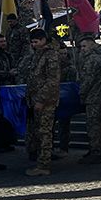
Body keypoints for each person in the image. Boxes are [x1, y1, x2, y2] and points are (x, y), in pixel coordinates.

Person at [25, 28, 62, 176]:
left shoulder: (50, 55)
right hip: (35, 101)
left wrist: (41, 99)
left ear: (43, 40)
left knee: (44, 132)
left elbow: (52, 80)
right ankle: (40, 159)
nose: (34, 44)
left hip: (46, 101)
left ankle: (44, 165)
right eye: (32, 42)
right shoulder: (36, 55)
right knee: (38, 132)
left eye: (36, 41)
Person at [77, 36, 101, 164]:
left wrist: (81, 93)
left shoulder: (91, 60)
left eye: (84, 46)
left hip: (93, 96)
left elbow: (88, 80)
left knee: (93, 125)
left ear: (92, 45)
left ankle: (96, 151)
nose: (82, 49)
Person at [0, 34, 17, 155]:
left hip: (10, 90)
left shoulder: (8, 54)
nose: (3, 43)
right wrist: (8, 73)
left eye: (4, 41)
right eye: (1, 41)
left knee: (8, 117)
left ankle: (8, 141)